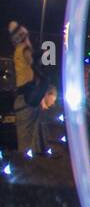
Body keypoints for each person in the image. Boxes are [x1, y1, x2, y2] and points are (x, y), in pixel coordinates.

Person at [10, 21, 52, 154]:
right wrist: (43, 53)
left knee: (26, 134)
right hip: (29, 93)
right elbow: (32, 60)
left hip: (21, 94)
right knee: (46, 82)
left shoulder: (16, 51)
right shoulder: (24, 48)